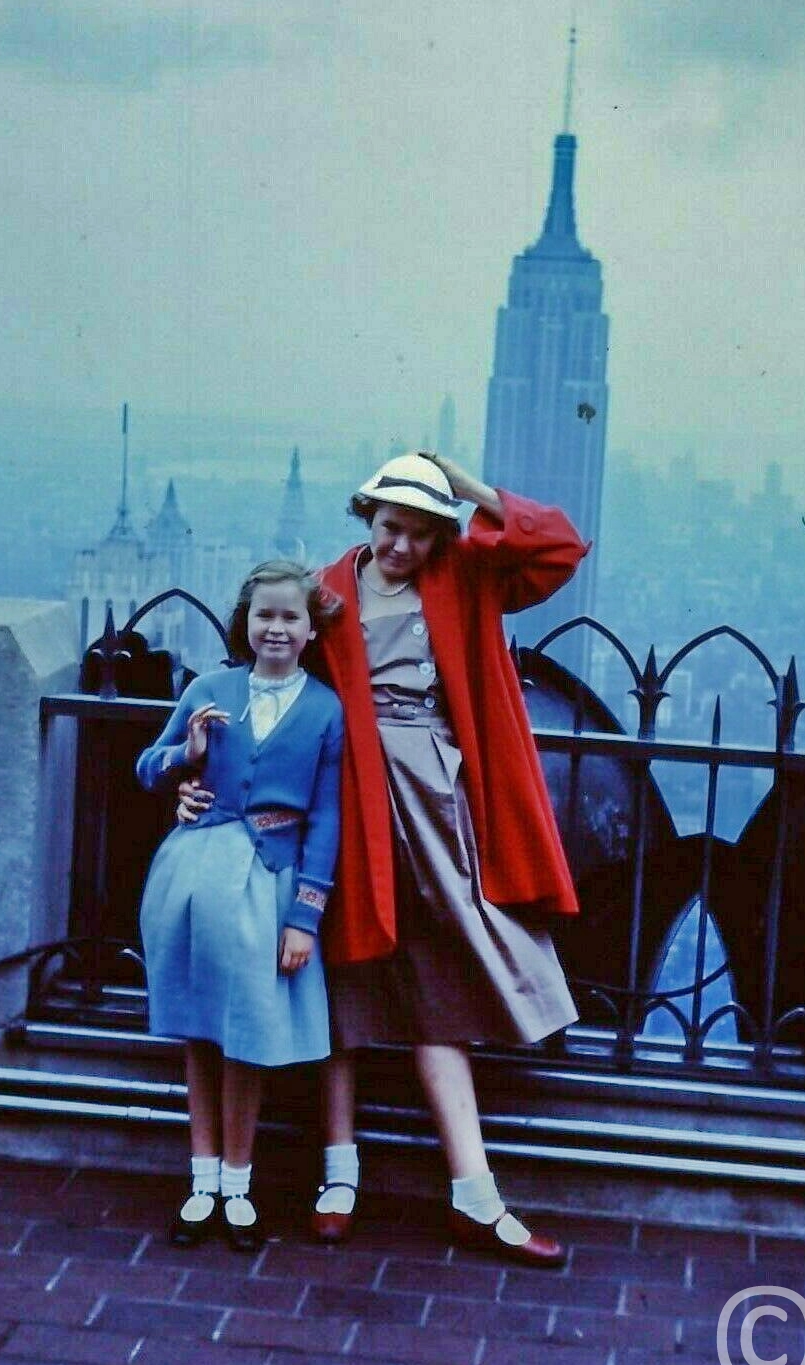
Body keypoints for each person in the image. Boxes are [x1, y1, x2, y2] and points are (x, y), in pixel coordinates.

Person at [180, 454, 587, 1267]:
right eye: (391, 526)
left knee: (446, 966)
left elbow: (558, 549)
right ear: (365, 516)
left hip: (434, 796)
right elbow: (261, 687)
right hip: (344, 798)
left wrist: (468, 492)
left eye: (422, 532)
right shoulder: (323, 589)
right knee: (340, 971)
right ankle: (340, 1175)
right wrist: (200, 785)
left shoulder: (467, 571)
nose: (403, 546)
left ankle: (475, 1194)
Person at [137, 560, 343, 1251]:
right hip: (196, 876)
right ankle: (200, 1181)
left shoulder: (324, 710)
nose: (275, 628)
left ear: (312, 629)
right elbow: (147, 763)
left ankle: (237, 1181)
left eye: (290, 617)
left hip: (269, 886)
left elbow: (328, 819)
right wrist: (183, 758)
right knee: (200, 1027)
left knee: (247, 1035)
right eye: (264, 616)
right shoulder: (209, 689)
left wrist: (305, 917)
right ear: (245, 622)